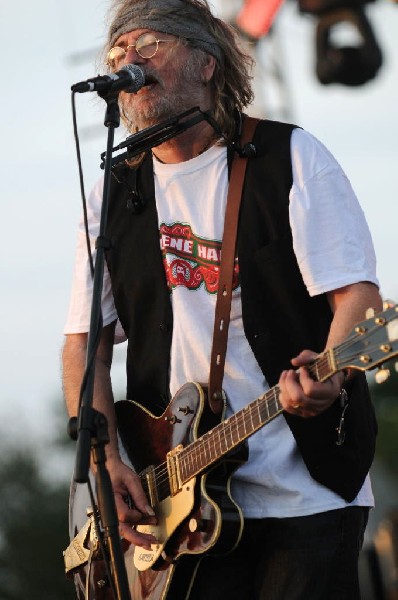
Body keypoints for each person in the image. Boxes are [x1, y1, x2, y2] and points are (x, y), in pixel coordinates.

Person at [62, 1, 383, 598]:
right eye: (117, 52)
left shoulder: (291, 158)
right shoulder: (114, 191)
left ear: (206, 64)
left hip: (306, 492)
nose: (128, 59)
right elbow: (86, 345)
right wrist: (105, 462)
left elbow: (358, 296)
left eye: (149, 44)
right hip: (181, 507)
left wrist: (329, 375)